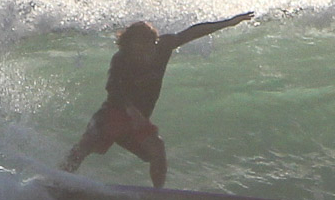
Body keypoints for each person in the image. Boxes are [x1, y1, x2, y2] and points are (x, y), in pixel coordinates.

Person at [60, 12, 254, 187]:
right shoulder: (121, 58)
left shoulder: (163, 47)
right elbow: (113, 89)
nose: (145, 52)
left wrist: (229, 23)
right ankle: (59, 179)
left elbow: (191, 33)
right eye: (139, 47)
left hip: (138, 120)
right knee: (85, 146)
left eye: (148, 46)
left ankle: (158, 195)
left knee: (156, 151)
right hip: (114, 114)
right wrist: (130, 110)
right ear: (128, 45)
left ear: (154, 42)